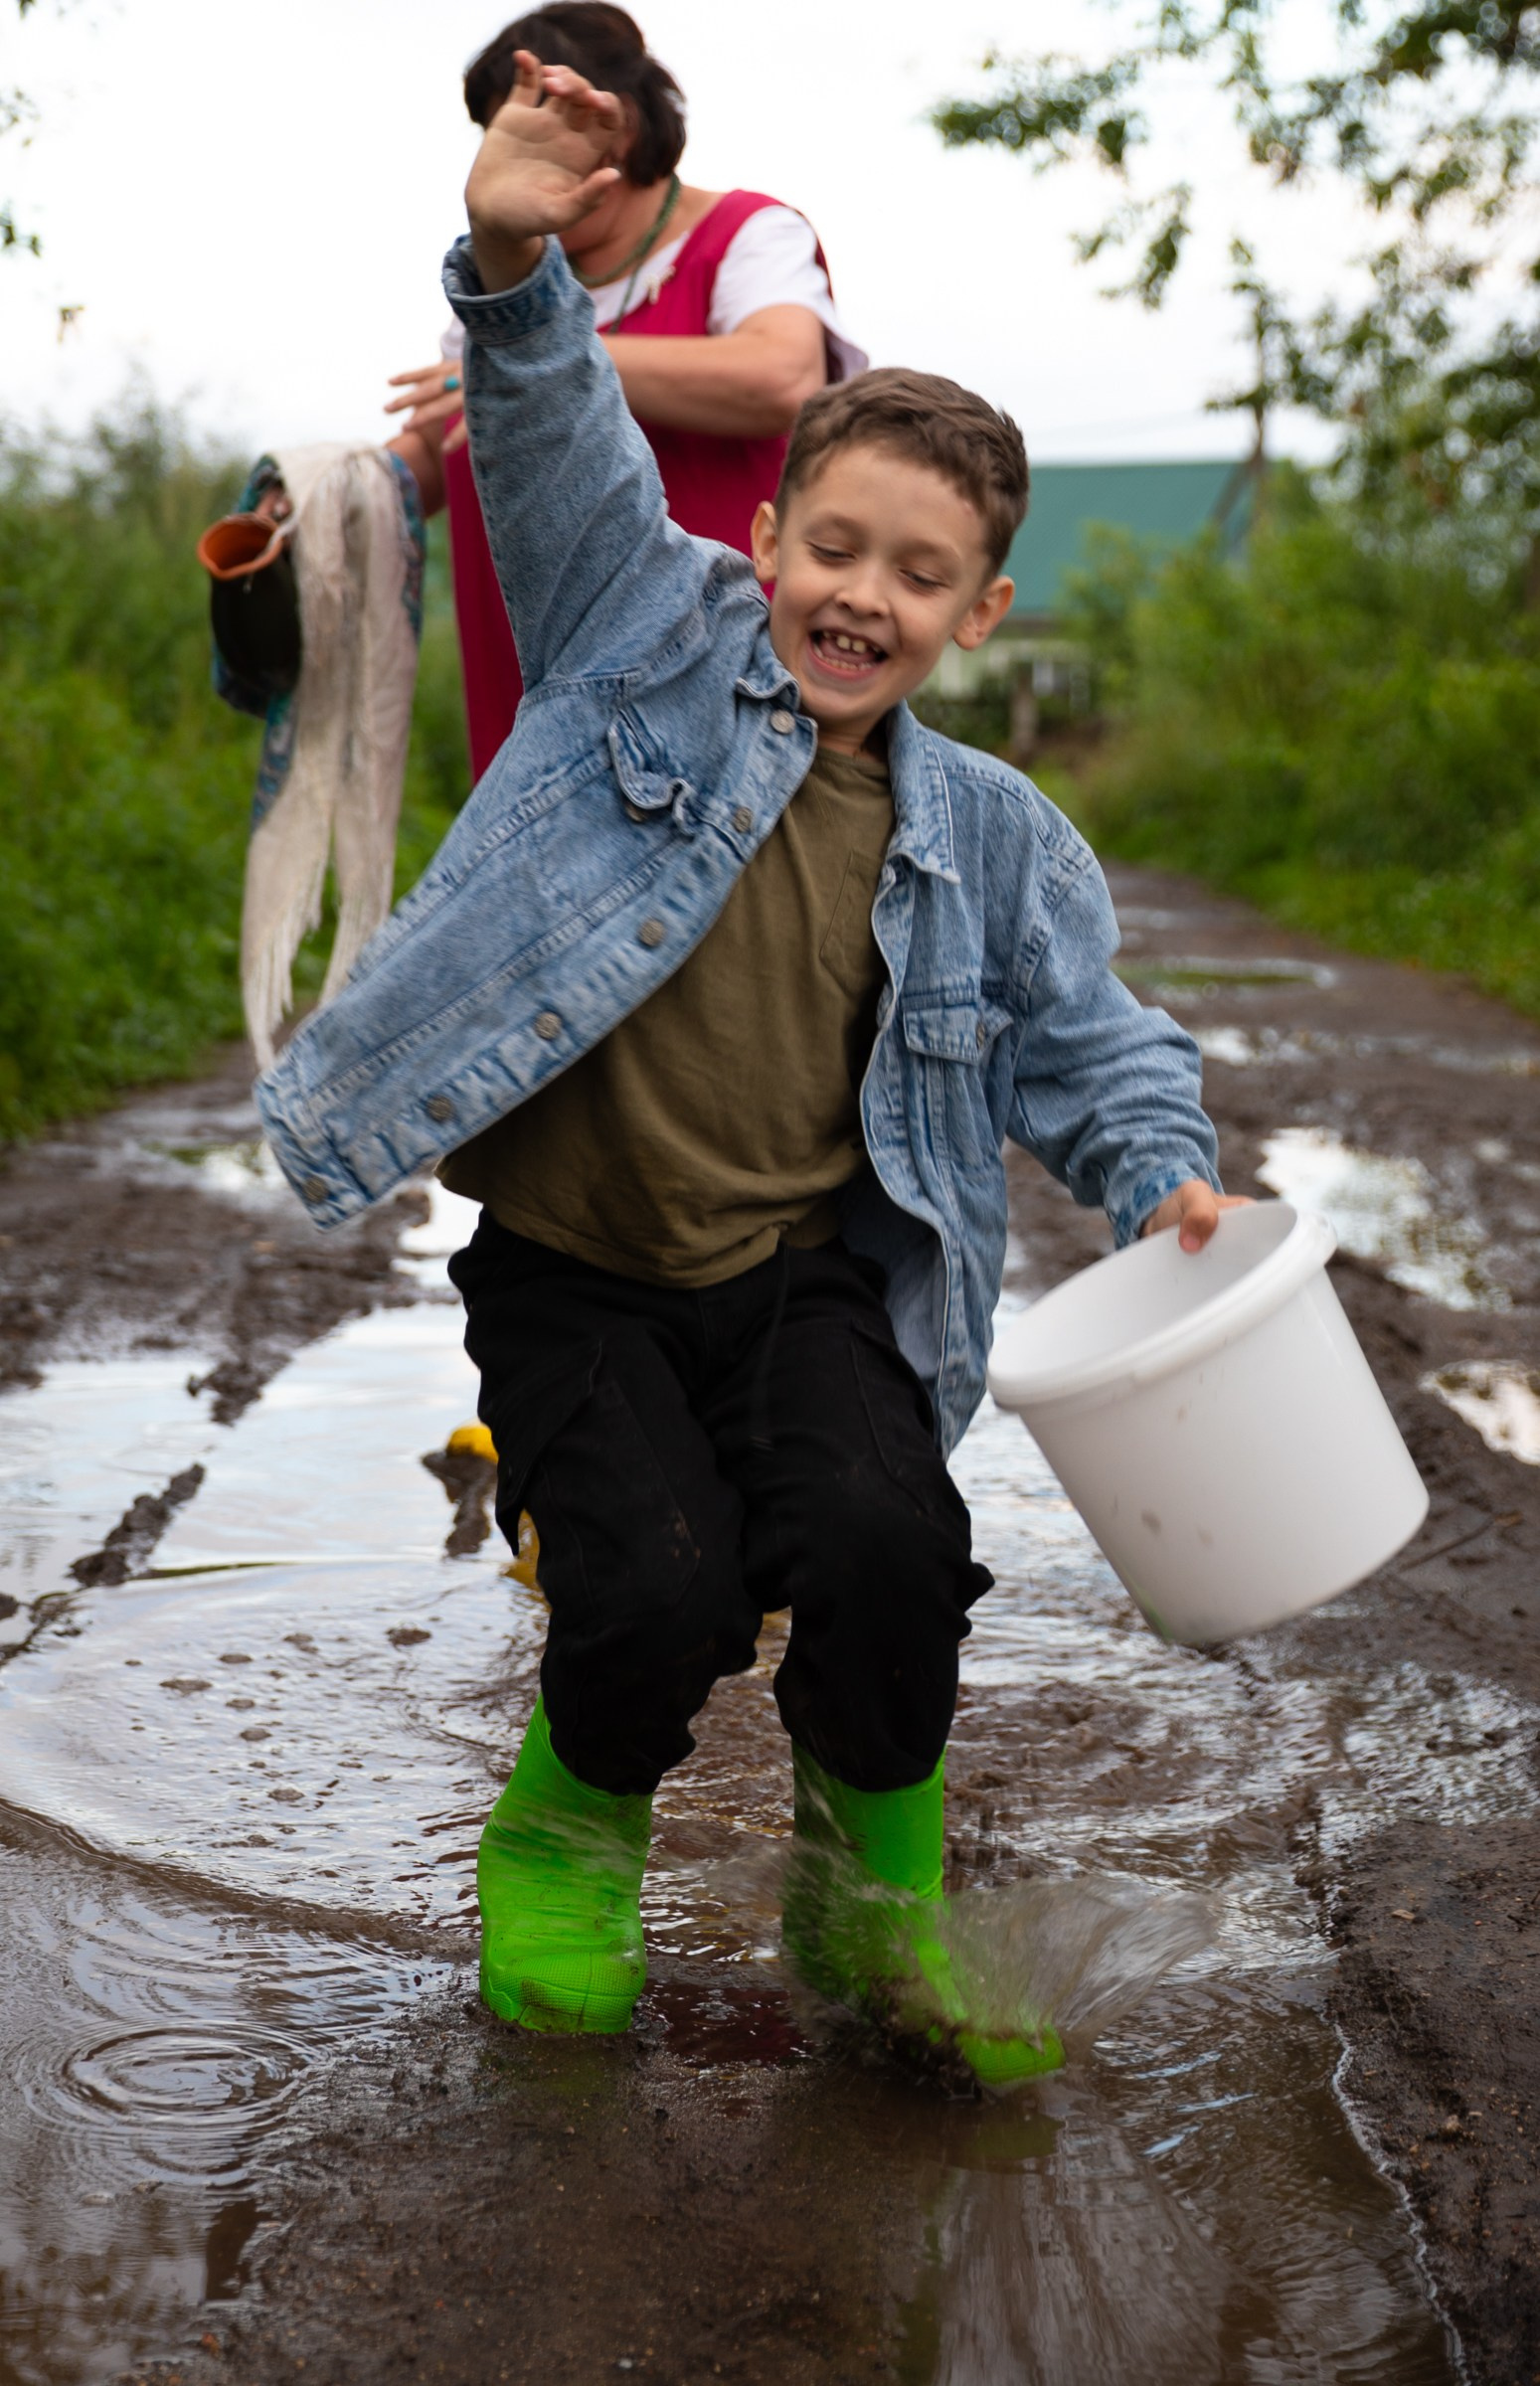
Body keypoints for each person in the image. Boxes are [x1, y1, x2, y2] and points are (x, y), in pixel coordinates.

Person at [257, 54, 1240, 2088]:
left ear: (975, 614)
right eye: (837, 546)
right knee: (657, 1588)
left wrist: (1158, 1172)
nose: (861, 598)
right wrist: (519, 256)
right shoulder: (643, 634)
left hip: (805, 1275)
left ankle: (873, 1890)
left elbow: (1094, 1045)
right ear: (768, 532)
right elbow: (548, 442)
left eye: (917, 574)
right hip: (580, 1271)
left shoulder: (991, 837)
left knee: (891, 1557)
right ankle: (570, 1822)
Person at [385, 4, 864, 783]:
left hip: (705, 679)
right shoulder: (511, 273)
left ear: (620, 126)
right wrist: (315, 504)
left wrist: (539, 345)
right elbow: (440, 438)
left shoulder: (744, 234)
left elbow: (781, 376)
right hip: (534, 678)